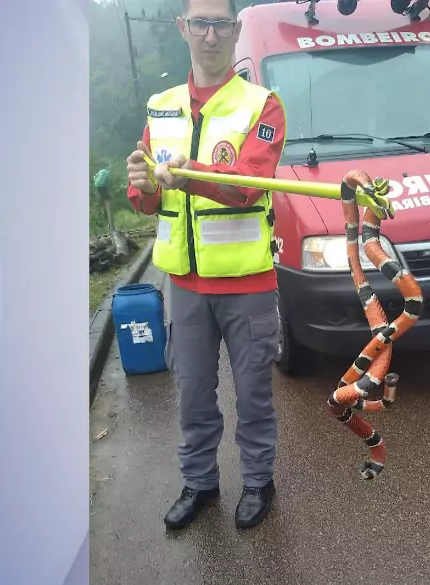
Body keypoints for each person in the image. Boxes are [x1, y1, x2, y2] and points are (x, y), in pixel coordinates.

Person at [124, 0, 287, 531]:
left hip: (247, 284)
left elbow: (247, 186)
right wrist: (142, 186)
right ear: (183, 29)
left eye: (221, 24)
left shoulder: (263, 105)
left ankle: (259, 482)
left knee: (254, 395)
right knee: (192, 392)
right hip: (186, 285)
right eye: (201, 23)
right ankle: (200, 483)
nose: (211, 35)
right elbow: (144, 200)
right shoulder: (160, 107)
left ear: (236, 30)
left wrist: (189, 174)